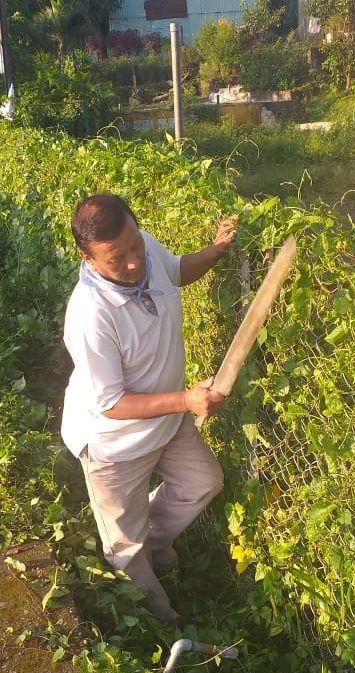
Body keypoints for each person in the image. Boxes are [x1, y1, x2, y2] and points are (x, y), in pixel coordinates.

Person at [60, 193, 237, 622]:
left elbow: (175, 271)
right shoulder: (90, 315)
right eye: (117, 259)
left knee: (203, 483)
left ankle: (154, 538)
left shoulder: (142, 245)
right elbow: (112, 404)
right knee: (126, 550)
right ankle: (165, 632)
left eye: (136, 246)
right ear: (88, 258)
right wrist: (187, 400)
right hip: (113, 444)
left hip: (166, 419)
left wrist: (214, 251)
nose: (135, 262)